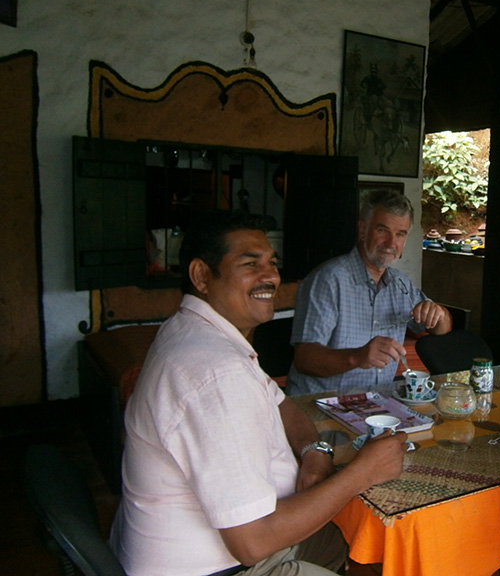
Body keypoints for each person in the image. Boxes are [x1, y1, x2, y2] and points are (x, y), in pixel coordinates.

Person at [110, 211, 408, 576]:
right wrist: (363, 472)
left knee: (368, 542)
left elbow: (281, 403)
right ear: (202, 276)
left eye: (271, 263)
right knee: (386, 553)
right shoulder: (215, 372)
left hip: (217, 548)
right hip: (223, 566)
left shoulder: (199, 333)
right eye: (250, 264)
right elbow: (252, 543)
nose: (271, 276)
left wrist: (314, 451)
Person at [286, 190, 452, 396]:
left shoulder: (401, 284)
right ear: (363, 230)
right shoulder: (328, 280)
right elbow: (305, 359)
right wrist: (358, 357)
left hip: (375, 402)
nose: (391, 243)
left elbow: (442, 328)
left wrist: (438, 314)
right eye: (383, 230)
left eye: (400, 234)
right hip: (323, 405)